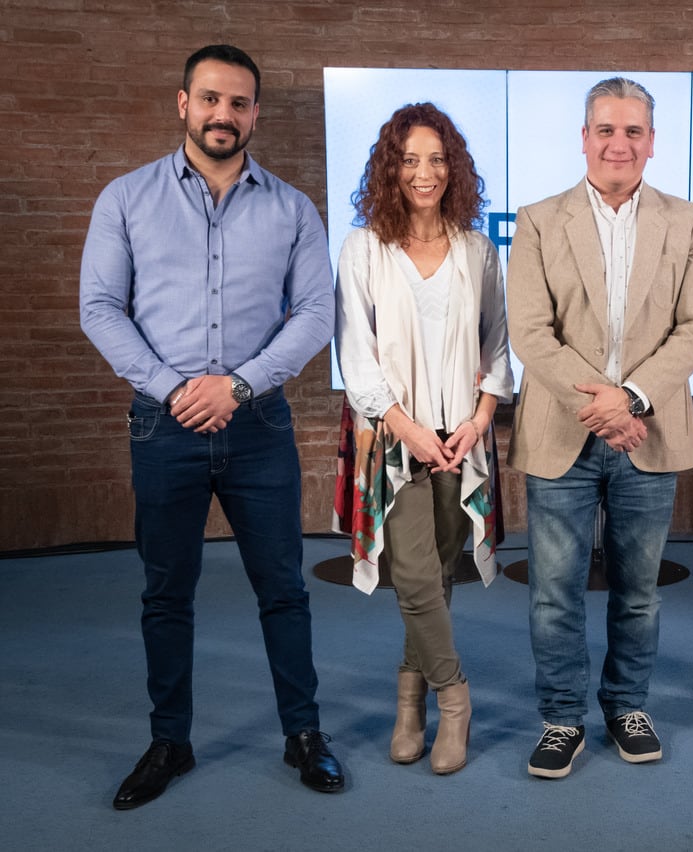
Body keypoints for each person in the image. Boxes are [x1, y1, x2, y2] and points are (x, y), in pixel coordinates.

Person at [80, 44, 345, 809]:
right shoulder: (125, 199)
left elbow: (315, 313)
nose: (223, 114)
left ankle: (303, 734)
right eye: (210, 99)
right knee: (167, 593)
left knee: (283, 590)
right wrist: (173, 390)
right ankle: (170, 742)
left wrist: (236, 385)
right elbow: (100, 307)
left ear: (255, 113)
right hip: (162, 429)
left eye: (239, 103)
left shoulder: (292, 208)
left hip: (259, 423)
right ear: (183, 103)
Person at [506, 77, 693, 779]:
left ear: (652, 142)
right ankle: (562, 716)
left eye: (632, 131)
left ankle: (627, 704)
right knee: (553, 589)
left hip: (645, 434)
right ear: (584, 137)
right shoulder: (538, 220)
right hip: (562, 432)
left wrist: (630, 400)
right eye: (605, 130)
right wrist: (600, 404)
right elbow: (531, 333)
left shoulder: (687, 221)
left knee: (639, 590)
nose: (618, 143)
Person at [334, 103, 513, 775]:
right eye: (409, 159)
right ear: (389, 166)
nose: (424, 172)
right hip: (393, 437)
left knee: (437, 574)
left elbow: (497, 344)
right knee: (411, 573)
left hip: (461, 438)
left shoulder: (476, 248)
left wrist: (479, 417)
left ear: (453, 167)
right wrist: (405, 425)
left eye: (436, 158)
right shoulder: (363, 247)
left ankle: (409, 702)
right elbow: (356, 355)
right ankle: (457, 702)